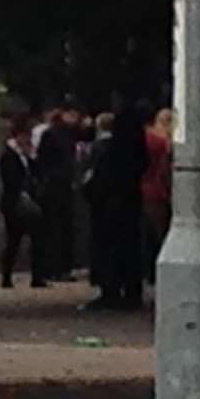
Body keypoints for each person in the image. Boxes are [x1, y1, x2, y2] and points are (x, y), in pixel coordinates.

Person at [82, 102, 148, 311]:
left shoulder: (112, 152)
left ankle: (111, 291)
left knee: (109, 249)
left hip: (109, 206)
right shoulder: (137, 150)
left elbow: (100, 180)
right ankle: (131, 292)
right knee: (130, 248)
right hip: (130, 203)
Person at [0, 117, 47, 289]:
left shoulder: (27, 156)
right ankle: (6, 276)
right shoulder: (9, 155)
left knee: (37, 239)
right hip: (14, 202)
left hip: (29, 200)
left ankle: (37, 276)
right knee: (13, 240)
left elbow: (37, 173)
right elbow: (10, 178)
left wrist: (32, 156)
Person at [34, 108, 78, 282]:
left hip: (56, 186)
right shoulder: (61, 135)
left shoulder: (54, 135)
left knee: (56, 228)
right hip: (59, 186)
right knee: (60, 228)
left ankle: (56, 268)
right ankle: (60, 268)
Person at [83, 112, 115, 288]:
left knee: (99, 238)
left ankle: (100, 276)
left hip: (100, 199)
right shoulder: (115, 146)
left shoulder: (98, 147)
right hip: (111, 198)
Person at [142, 106, 173, 284]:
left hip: (145, 189)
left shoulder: (148, 139)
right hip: (160, 192)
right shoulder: (165, 144)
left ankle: (150, 274)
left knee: (149, 235)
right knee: (161, 234)